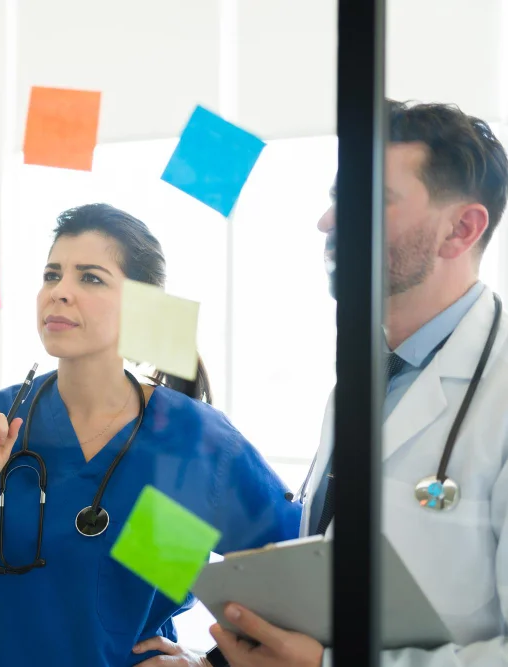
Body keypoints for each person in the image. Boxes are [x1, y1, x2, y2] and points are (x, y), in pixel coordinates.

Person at [140, 101, 508, 667]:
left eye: (370, 200)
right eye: (338, 197)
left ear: (460, 230)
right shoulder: (363, 380)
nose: (329, 222)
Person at [0, 203, 301, 667]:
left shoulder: (196, 438)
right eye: (52, 274)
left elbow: (295, 574)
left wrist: (208, 662)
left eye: (90, 277)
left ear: (142, 307)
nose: (60, 292)